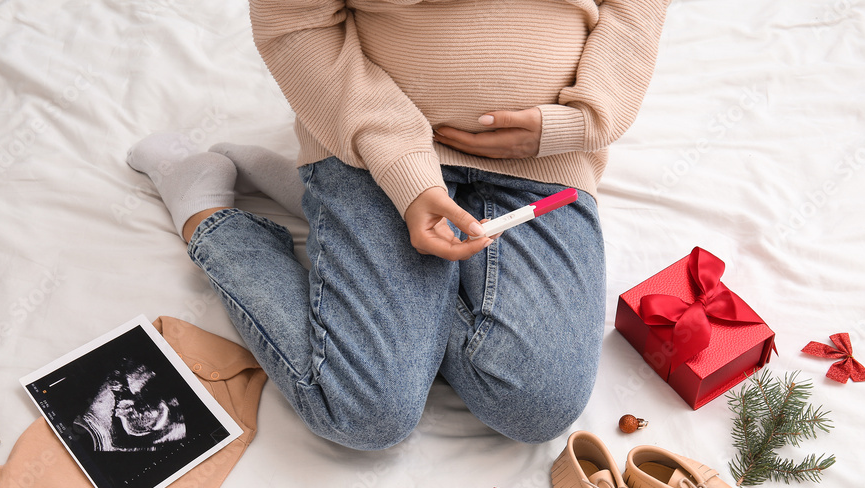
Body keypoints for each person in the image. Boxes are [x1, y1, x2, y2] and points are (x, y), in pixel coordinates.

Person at [127, 0, 671, 450]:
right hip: (368, 151)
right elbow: (296, 22)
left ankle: (324, 223)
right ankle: (206, 209)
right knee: (363, 412)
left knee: (540, 407)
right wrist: (404, 172)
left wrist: (579, 122)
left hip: (543, 163)